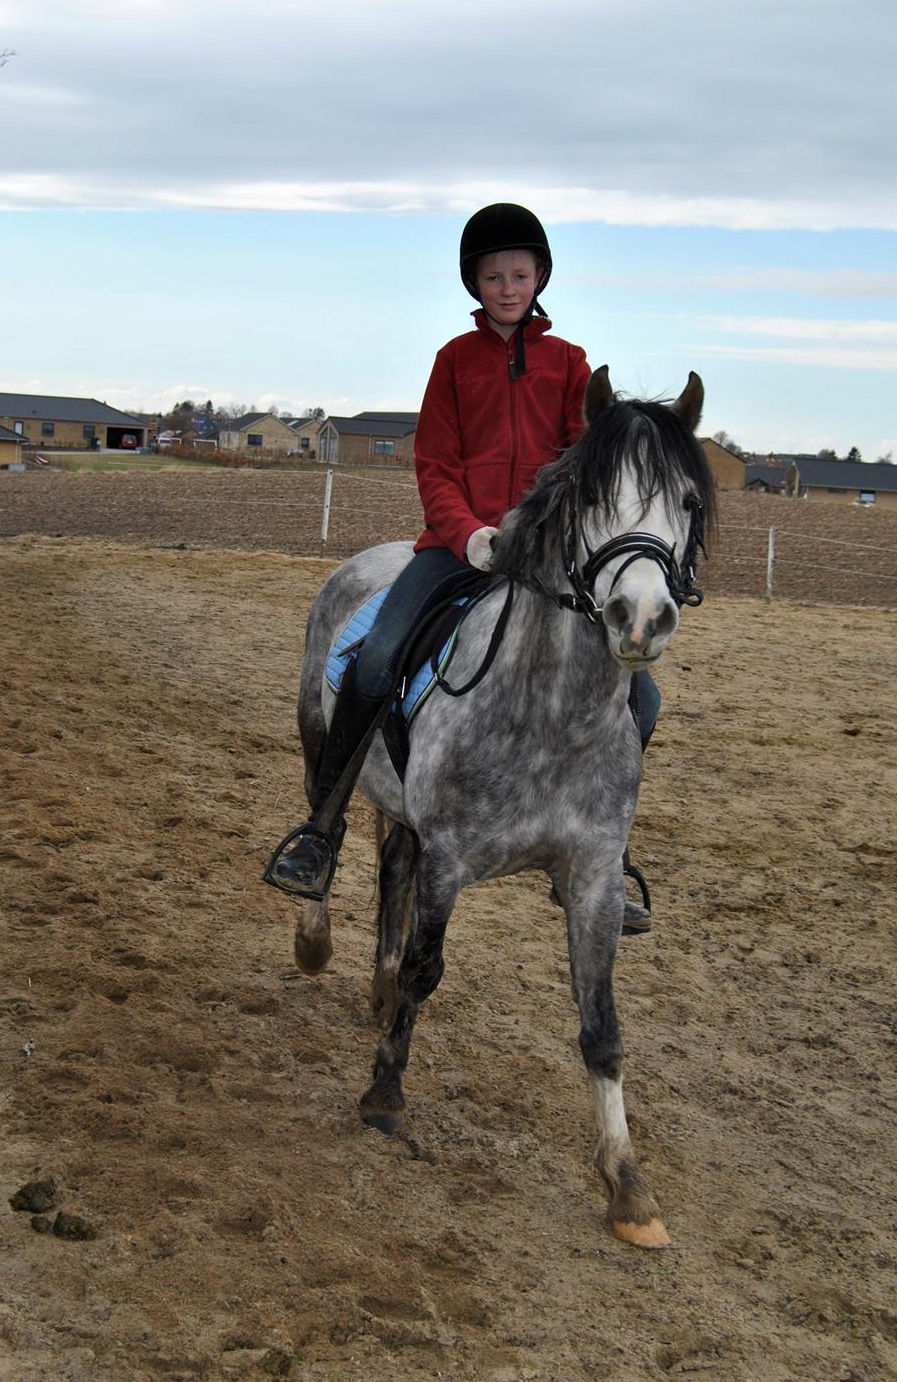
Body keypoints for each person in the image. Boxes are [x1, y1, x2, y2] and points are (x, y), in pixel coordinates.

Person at [264, 203, 657, 931]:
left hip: (545, 567)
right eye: (491, 275)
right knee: (374, 661)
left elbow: (585, 466)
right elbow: (434, 464)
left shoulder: (569, 363)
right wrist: (469, 534)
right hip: (454, 552)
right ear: (472, 283)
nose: (506, 286)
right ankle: (321, 829)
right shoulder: (453, 360)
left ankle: (603, 857)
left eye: (518, 273)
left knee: (640, 701)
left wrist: (552, 539)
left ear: (539, 277)